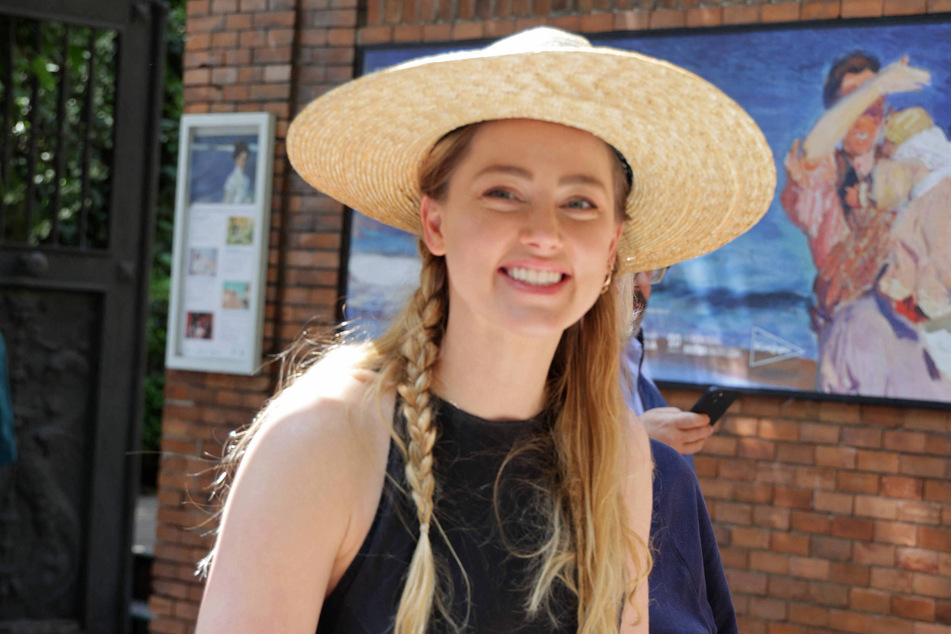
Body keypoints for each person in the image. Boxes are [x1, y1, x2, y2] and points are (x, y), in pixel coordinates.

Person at [194, 27, 774, 633]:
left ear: (612, 250)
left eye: (580, 203)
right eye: (504, 192)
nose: (544, 231)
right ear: (435, 222)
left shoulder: (620, 453)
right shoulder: (323, 440)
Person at [622, 268, 713, 456]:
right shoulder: (560, 353)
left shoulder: (631, 350)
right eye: (632, 270)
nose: (644, 284)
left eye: (650, 272)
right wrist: (637, 438)